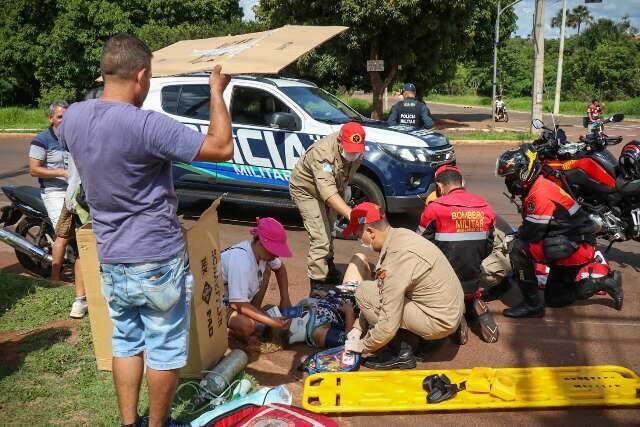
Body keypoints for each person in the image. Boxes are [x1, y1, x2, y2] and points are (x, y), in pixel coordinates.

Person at [59, 34, 233, 427]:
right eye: (150, 77)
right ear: (141, 76)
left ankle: (128, 423)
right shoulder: (147, 126)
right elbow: (221, 148)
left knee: (125, 343)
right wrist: (216, 92)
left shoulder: (72, 117)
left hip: (112, 256)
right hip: (156, 258)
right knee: (165, 350)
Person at [495, 144, 623, 318]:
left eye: (510, 177)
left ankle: (531, 305)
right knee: (555, 299)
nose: (508, 182)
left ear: (524, 172)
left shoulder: (539, 193)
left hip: (574, 247)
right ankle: (604, 282)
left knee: (518, 249)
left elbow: (531, 235)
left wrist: (511, 240)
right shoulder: (536, 185)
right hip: (569, 242)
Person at [342, 202, 465, 370]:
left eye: (358, 235)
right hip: (449, 310)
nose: (359, 240)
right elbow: (384, 289)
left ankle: (401, 354)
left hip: (441, 320)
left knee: (364, 291)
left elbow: (387, 323)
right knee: (378, 290)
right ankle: (425, 338)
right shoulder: (401, 235)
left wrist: (363, 345)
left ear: (370, 232)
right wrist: (358, 327)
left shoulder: (396, 258)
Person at [416, 165, 499, 343]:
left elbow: (419, 244)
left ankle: (455, 313)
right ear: (462, 182)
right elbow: (489, 245)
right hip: (473, 275)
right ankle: (471, 303)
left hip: (445, 281)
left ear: (439, 186)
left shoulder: (434, 208)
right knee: (469, 283)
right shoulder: (485, 206)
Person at [289, 121, 366, 296]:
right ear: (339, 141)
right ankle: (317, 285)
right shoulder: (322, 154)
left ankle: (328, 266)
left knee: (330, 228)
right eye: (350, 150)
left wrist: (344, 191)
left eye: (356, 151)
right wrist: (349, 213)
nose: (352, 155)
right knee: (320, 236)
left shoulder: (358, 151)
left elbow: (343, 177)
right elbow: (327, 192)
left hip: (332, 189)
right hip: (307, 190)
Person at [222, 217, 293, 337]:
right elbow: (236, 304)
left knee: (268, 269)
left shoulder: (260, 252)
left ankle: (255, 313)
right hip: (219, 304)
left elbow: (280, 268)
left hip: (238, 300)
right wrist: (271, 322)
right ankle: (230, 329)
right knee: (247, 326)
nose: (276, 255)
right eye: (274, 250)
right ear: (261, 243)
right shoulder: (241, 259)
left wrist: (285, 299)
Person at [51, 155, 87, 318]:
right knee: (88, 249)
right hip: (89, 199)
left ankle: (80, 301)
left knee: (83, 250)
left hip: (75, 197)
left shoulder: (73, 133)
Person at [28, 100, 69, 229]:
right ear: (51, 118)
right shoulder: (41, 140)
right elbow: (34, 170)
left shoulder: (74, 137)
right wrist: (62, 172)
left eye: (67, 117)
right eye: (60, 117)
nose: (64, 121)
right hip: (54, 191)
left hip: (75, 190)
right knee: (63, 232)